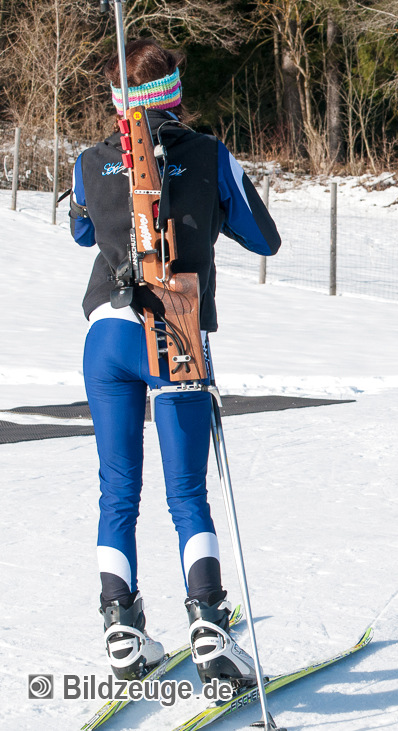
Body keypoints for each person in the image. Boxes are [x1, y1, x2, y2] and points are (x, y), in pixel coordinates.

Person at [70, 39, 280, 684]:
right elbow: (264, 236)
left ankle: (121, 629)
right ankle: (210, 629)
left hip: (107, 333)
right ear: (176, 94)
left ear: (117, 104)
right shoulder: (211, 154)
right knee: (188, 494)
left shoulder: (90, 161)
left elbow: (83, 230)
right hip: (176, 331)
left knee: (117, 489)